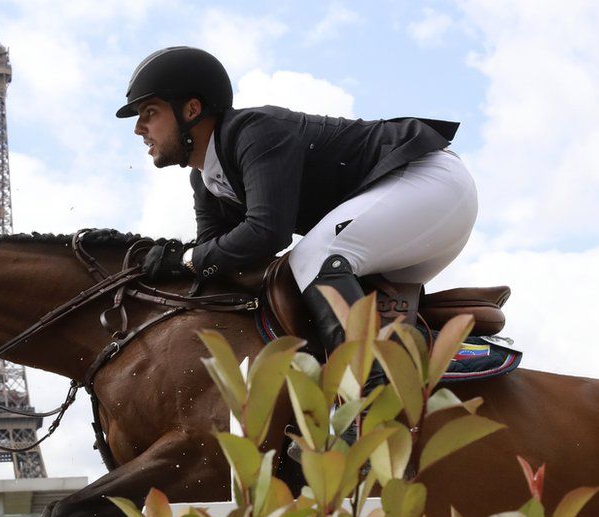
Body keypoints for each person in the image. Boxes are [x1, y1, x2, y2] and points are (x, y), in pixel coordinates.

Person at [119, 46, 478, 368]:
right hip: (408, 233)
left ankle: (366, 392)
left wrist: (184, 259)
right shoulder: (205, 180)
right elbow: (218, 260)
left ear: (192, 109)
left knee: (312, 257)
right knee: (299, 292)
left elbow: (266, 232)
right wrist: (179, 263)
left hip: (428, 181)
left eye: (149, 112)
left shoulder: (254, 132)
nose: (139, 129)